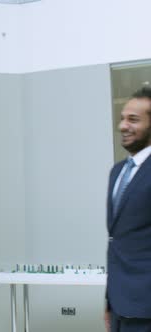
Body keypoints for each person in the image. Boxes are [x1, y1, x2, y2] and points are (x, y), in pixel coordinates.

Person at [105, 87, 151, 332]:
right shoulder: (117, 172)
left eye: (133, 119)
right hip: (119, 306)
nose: (123, 126)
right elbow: (117, 240)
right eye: (122, 118)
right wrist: (109, 301)